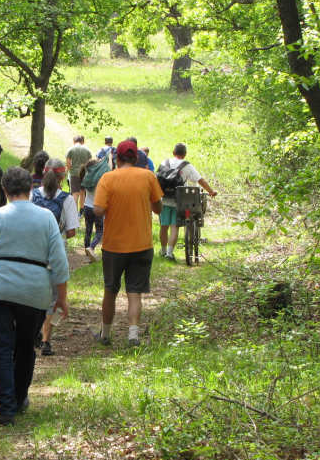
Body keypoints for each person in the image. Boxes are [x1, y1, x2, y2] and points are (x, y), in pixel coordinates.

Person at [0, 166, 70, 426]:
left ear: (5, 190)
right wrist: (61, 297)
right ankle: (19, 395)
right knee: (25, 346)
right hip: (34, 290)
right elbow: (59, 262)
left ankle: (7, 407)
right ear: (30, 189)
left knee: (1, 348)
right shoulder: (46, 217)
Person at [92, 140, 163, 347]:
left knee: (110, 291)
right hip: (142, 244)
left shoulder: (108, 178)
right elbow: (158, 208)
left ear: (118, 158)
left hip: (114, 246)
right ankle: (133, 335)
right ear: (136, 159)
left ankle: (105, 335)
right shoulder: (148, 176)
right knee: (134, 292)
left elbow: (98, 210)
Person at [30, 158, 78, 356]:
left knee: (33, 295)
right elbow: (72, 232)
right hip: (55, 252)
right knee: (54, 298)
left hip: (32, 252)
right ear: (63, 177)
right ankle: (46, 340)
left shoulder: (32, 195)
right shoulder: (67, 199)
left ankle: (32, 333)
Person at [158, 143, 217, 261]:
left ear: (173, 152)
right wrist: (211, 191)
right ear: (185, 154)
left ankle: (163, 250)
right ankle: (169, 254)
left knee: (164, 226)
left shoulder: (164, 163)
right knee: (175, 226)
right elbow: (200, 181)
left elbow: (156, 179)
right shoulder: (187, 166)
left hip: (164, 199)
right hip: (179, 201)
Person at [79, 158, 104, 263]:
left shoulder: (86, 177)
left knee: (88, 231)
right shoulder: (99, 179)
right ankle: (91, 247)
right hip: (96, 208)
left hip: (87, 208)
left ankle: (87, 255)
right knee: (100, 231)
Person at [65, 135, 92, 214]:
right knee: (82, 192)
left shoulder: (70, 149)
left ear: (74, 141)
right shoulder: (87, 150)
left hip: (74, 174)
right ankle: (82, 211)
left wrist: (69, 170)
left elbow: (68, 164)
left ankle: (74, 213)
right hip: (84, 174)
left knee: (75, 193)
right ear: (82, 142)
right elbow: (90, 163)